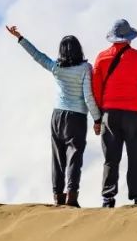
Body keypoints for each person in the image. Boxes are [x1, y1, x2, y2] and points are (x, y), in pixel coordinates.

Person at [5, 24, 101, 207]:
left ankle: (58, 198)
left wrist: (20, 38)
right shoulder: (85, 68)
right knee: (75, 156)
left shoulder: (56, 67)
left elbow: (37, 56)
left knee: (58, 158)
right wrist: (97, 119)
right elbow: (88, 96)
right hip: (77, 117)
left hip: (57, 116)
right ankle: (72, 198)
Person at [92, 18, 137, 208]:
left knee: (111, 158)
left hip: (110, 114)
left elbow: (96, 88)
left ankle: (108, 197)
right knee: (136, 156)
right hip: (134, 114)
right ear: (129, 38)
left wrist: (98, 116)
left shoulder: (102, 58)